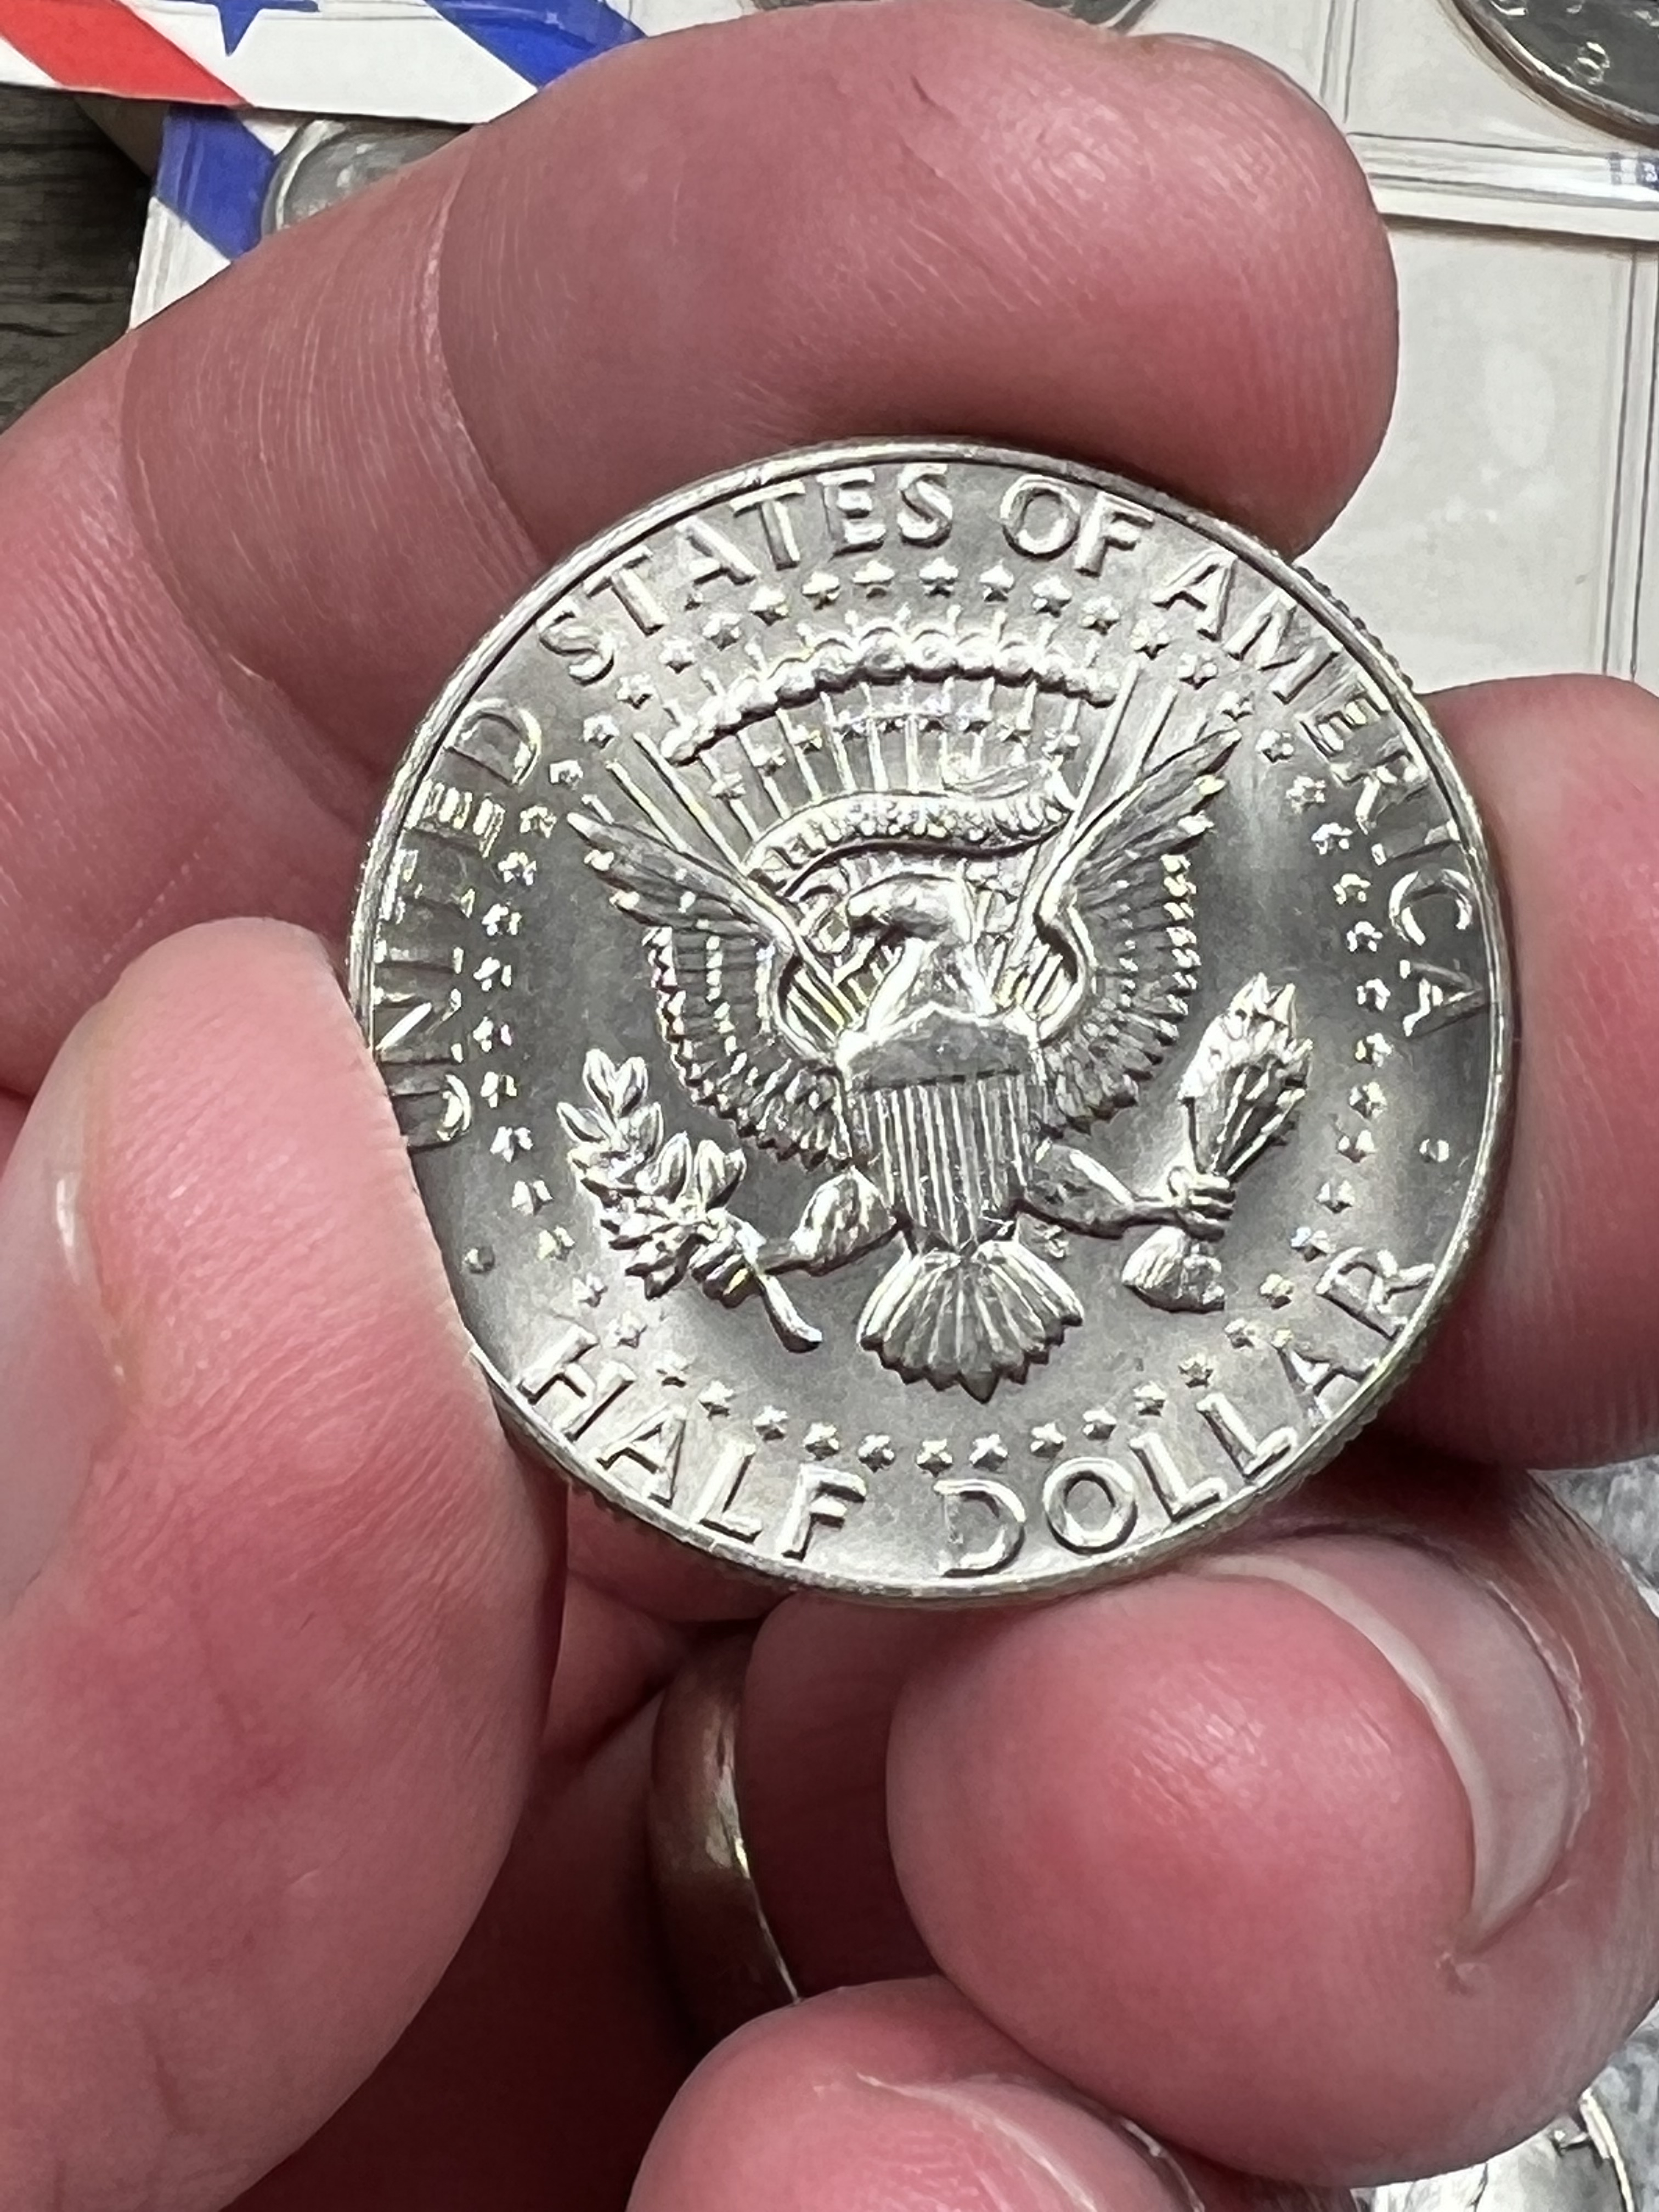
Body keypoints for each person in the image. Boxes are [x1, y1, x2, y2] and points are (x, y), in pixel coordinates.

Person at [0, 3, 1655, 2205]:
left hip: (946, 1272)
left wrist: (1114, 1168)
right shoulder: (825, 1016)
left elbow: (1105, 906)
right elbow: (724, 966)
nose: (931, 939)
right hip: (891, 1288)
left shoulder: (998, 1004)